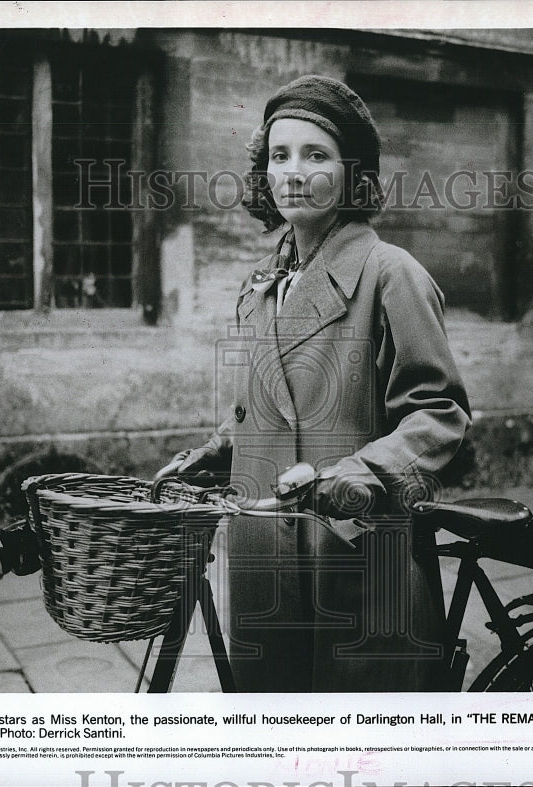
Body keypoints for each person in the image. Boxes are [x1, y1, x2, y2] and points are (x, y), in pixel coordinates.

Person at [157, 75, 471, 692]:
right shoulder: (263, 283)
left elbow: (440, 416)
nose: (294, 172)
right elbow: (271, 403)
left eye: (316, 154)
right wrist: (219, 452)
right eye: (280, 155)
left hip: (354, 551)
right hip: (264, 548)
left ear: (353, 174)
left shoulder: (391, 275)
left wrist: (352, 474)